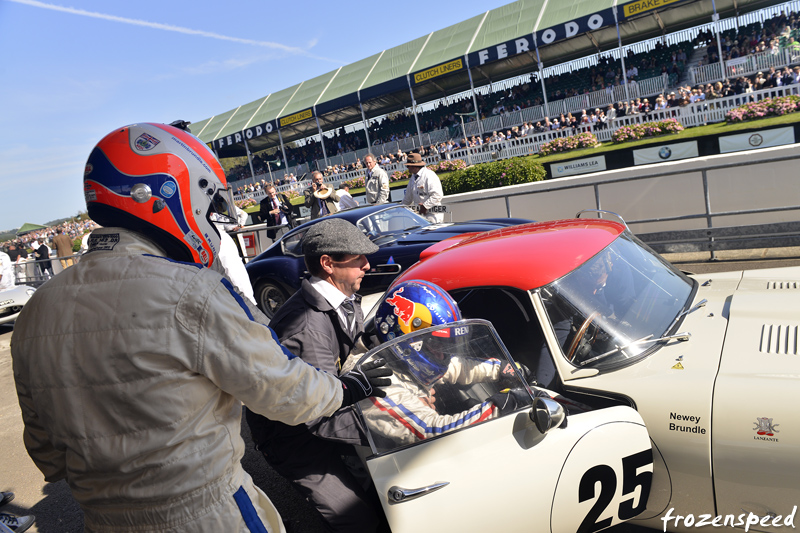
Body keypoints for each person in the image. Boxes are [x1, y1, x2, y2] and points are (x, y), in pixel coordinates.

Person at [11, 122, 391, 533]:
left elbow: (45, 452)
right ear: (164, 197)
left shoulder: (35, 311)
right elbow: (285, 391)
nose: (209, 220)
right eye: (206, 205)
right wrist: (348, 388)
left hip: (101, 520)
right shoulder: (191, 289)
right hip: (204, 512)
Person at [246, 218, 384, 532]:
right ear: (328, 264)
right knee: (358, 519)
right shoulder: (307, 327)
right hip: (294, 438)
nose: (367, 264)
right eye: (358, 257)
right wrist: (391, 426)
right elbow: (318, 413)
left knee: (377, 496)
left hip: (324, 414)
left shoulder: (341, 300)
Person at [402, 152, 444, 223]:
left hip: (433, 215)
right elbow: (407, 199)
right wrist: (398, 208)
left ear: (414, 166)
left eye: (408, 166)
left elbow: (437, 195)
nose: (407, 168)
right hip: (421, 216)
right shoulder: (413, 178)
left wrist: (425, 207)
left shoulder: (429, 175)